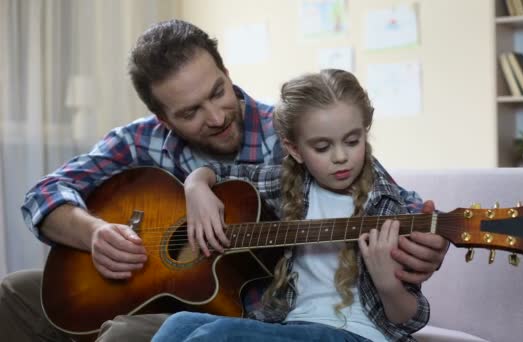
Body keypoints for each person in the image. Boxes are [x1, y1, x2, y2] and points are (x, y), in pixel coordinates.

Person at [0, 20, 447, 342]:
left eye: (217, 92)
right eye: (190, 112)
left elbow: (376, 196)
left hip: (233, 310)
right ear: (162, 118)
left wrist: (424, 244)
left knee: (126, 335)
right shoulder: (140, 140)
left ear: (227, 73)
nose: (215, 117)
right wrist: (97, 233)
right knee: (13, 294)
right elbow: (43, 194)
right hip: (143, 286)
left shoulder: (297, 135)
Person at [153, 69, 432, 342]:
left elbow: (409, 319)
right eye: (322, 147)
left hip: (359, 334)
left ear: (365, 132)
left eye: (352, 141)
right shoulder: (291, 185)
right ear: (295, 150)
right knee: (179, 324)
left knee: (218, 336)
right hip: (293, 325)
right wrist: (195, 185)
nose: (340, 157)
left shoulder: (385, 206)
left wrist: (387, 284)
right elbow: (218, 173)